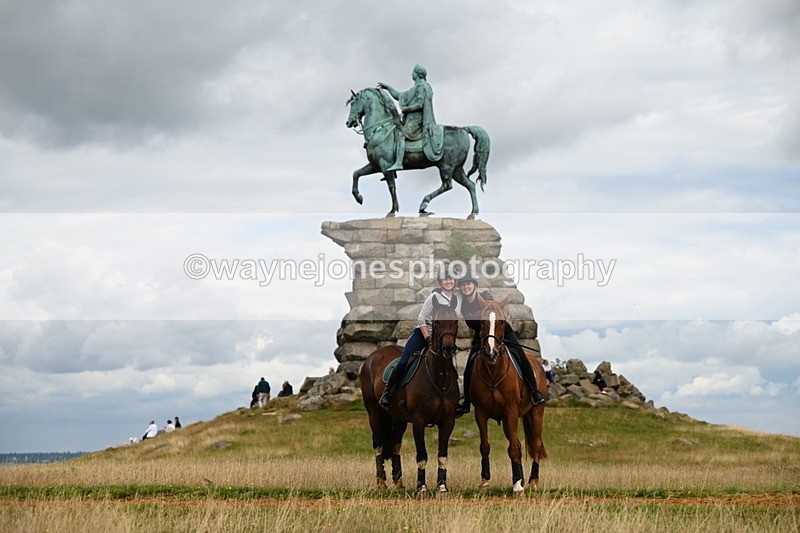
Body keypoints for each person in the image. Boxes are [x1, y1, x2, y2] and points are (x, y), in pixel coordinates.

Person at [455, 274, 545, 418]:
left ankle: (534, 392)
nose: (466, 287)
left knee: (520, 356)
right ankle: (466, 402)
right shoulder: (462, 303)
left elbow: (498, 312)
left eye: (469, 284)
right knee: (469, 366)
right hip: (482, 336)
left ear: (474, 286)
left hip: (500, 332)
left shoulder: (485, 296)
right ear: (460, 288)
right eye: (463, 285)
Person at [380, 267, 462, 407]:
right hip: (423, 334)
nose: (448, 282)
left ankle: (454, 399)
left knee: (450, 366)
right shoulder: (433, 297)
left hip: (444, 337)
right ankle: (388, 392)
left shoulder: (458, 299)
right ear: (440, 283)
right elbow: (421, 318)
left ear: (454, 281)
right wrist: (427, 337)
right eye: (445, 280)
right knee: (405, 361)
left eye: (450, 279)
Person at [378, 64, 443, 171]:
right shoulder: (415, 88)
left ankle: (399, 163)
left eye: (413, 72)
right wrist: (388, 88)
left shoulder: (423, 87)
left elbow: (420, 104)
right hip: (410, 119)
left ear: (417, 74)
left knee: (400, 135)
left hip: (417, 120)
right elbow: (399, 96)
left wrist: (407, 109)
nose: (411, 74)